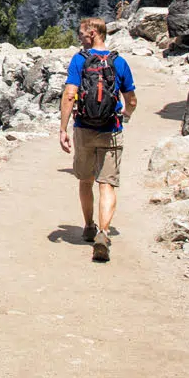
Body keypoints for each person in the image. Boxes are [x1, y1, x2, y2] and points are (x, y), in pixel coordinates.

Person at [59, 17, 137, 262]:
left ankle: (89, 226)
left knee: (85, 180)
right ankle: (104, 232)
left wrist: (63, 128)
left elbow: (70, 95)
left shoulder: (79, 60)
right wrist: (126, 114)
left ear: (92, 33)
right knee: (107, 183)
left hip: (83, 129)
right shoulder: (120, 62)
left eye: (81, 34)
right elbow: (131, 100)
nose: (79, 38)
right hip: (111, 129)